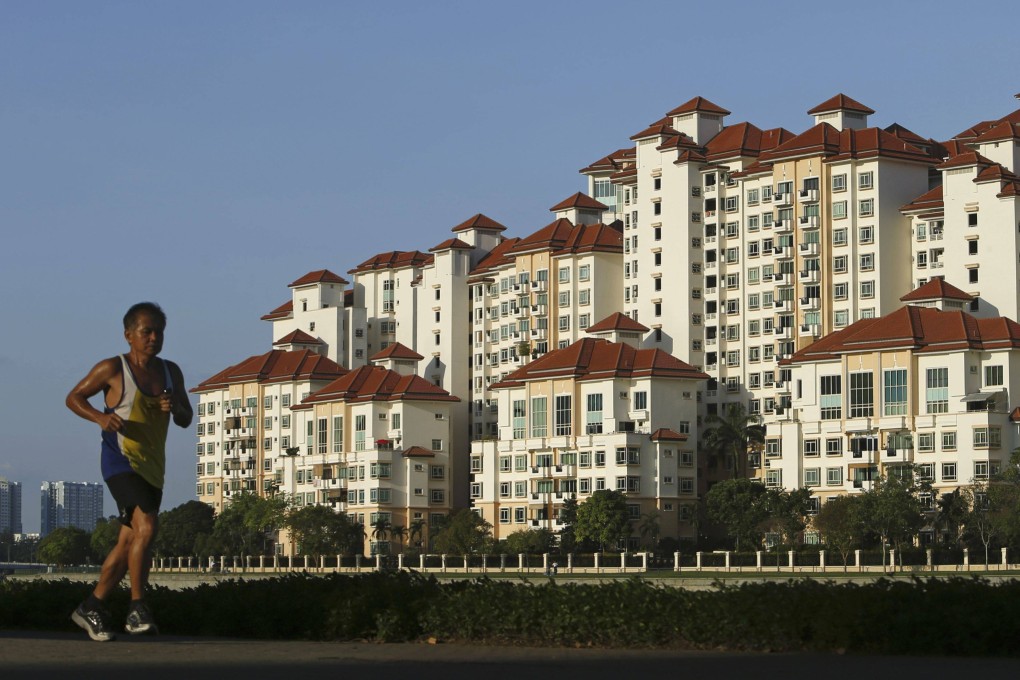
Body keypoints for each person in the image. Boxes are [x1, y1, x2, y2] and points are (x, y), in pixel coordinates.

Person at [65, 302, 192, 641]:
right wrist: (101, 417)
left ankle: (92, 605)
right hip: (119, 462)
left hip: (153, 468)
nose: (153, 338)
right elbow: (74, 397)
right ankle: (137, 607)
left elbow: (185, 418)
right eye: (146, 331)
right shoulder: (113, 368)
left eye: (159, 332)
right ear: (128, 335)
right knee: (147, 526)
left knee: (129, 541)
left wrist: (175, 406)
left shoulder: (170, 372)